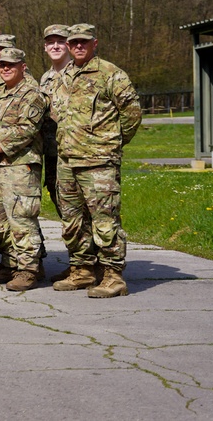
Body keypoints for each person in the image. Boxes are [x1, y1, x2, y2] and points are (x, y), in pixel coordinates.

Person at [52, 24, 141, 298]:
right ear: (68, 46)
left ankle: (113, 275)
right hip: (67, 161)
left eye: (84, 42)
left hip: (99, 162)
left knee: (105, 221)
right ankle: (82, 270)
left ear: (95, 43)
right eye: (74, 42)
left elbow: (132, 113)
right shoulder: (65, 75)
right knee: (72, 221)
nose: (78, 46)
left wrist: (110, 142)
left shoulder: (111, 74)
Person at [0, 47, 46, 291]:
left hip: (20, 166)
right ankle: (10, 263)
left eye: (11, 65)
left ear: (22, 67)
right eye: (1, 65)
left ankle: (28, 269)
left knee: (22, 219)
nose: (5, 69)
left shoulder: (32, 94)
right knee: (1, 220)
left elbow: (28, 128)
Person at [39, 24, 71, 220]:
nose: (56, 46)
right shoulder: (45, 79)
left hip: (74, 153)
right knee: (58, 198)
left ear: (69, 45)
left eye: (60, 42)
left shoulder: (79, 75)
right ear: (45, 47)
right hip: (52, 154)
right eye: (51, 43)